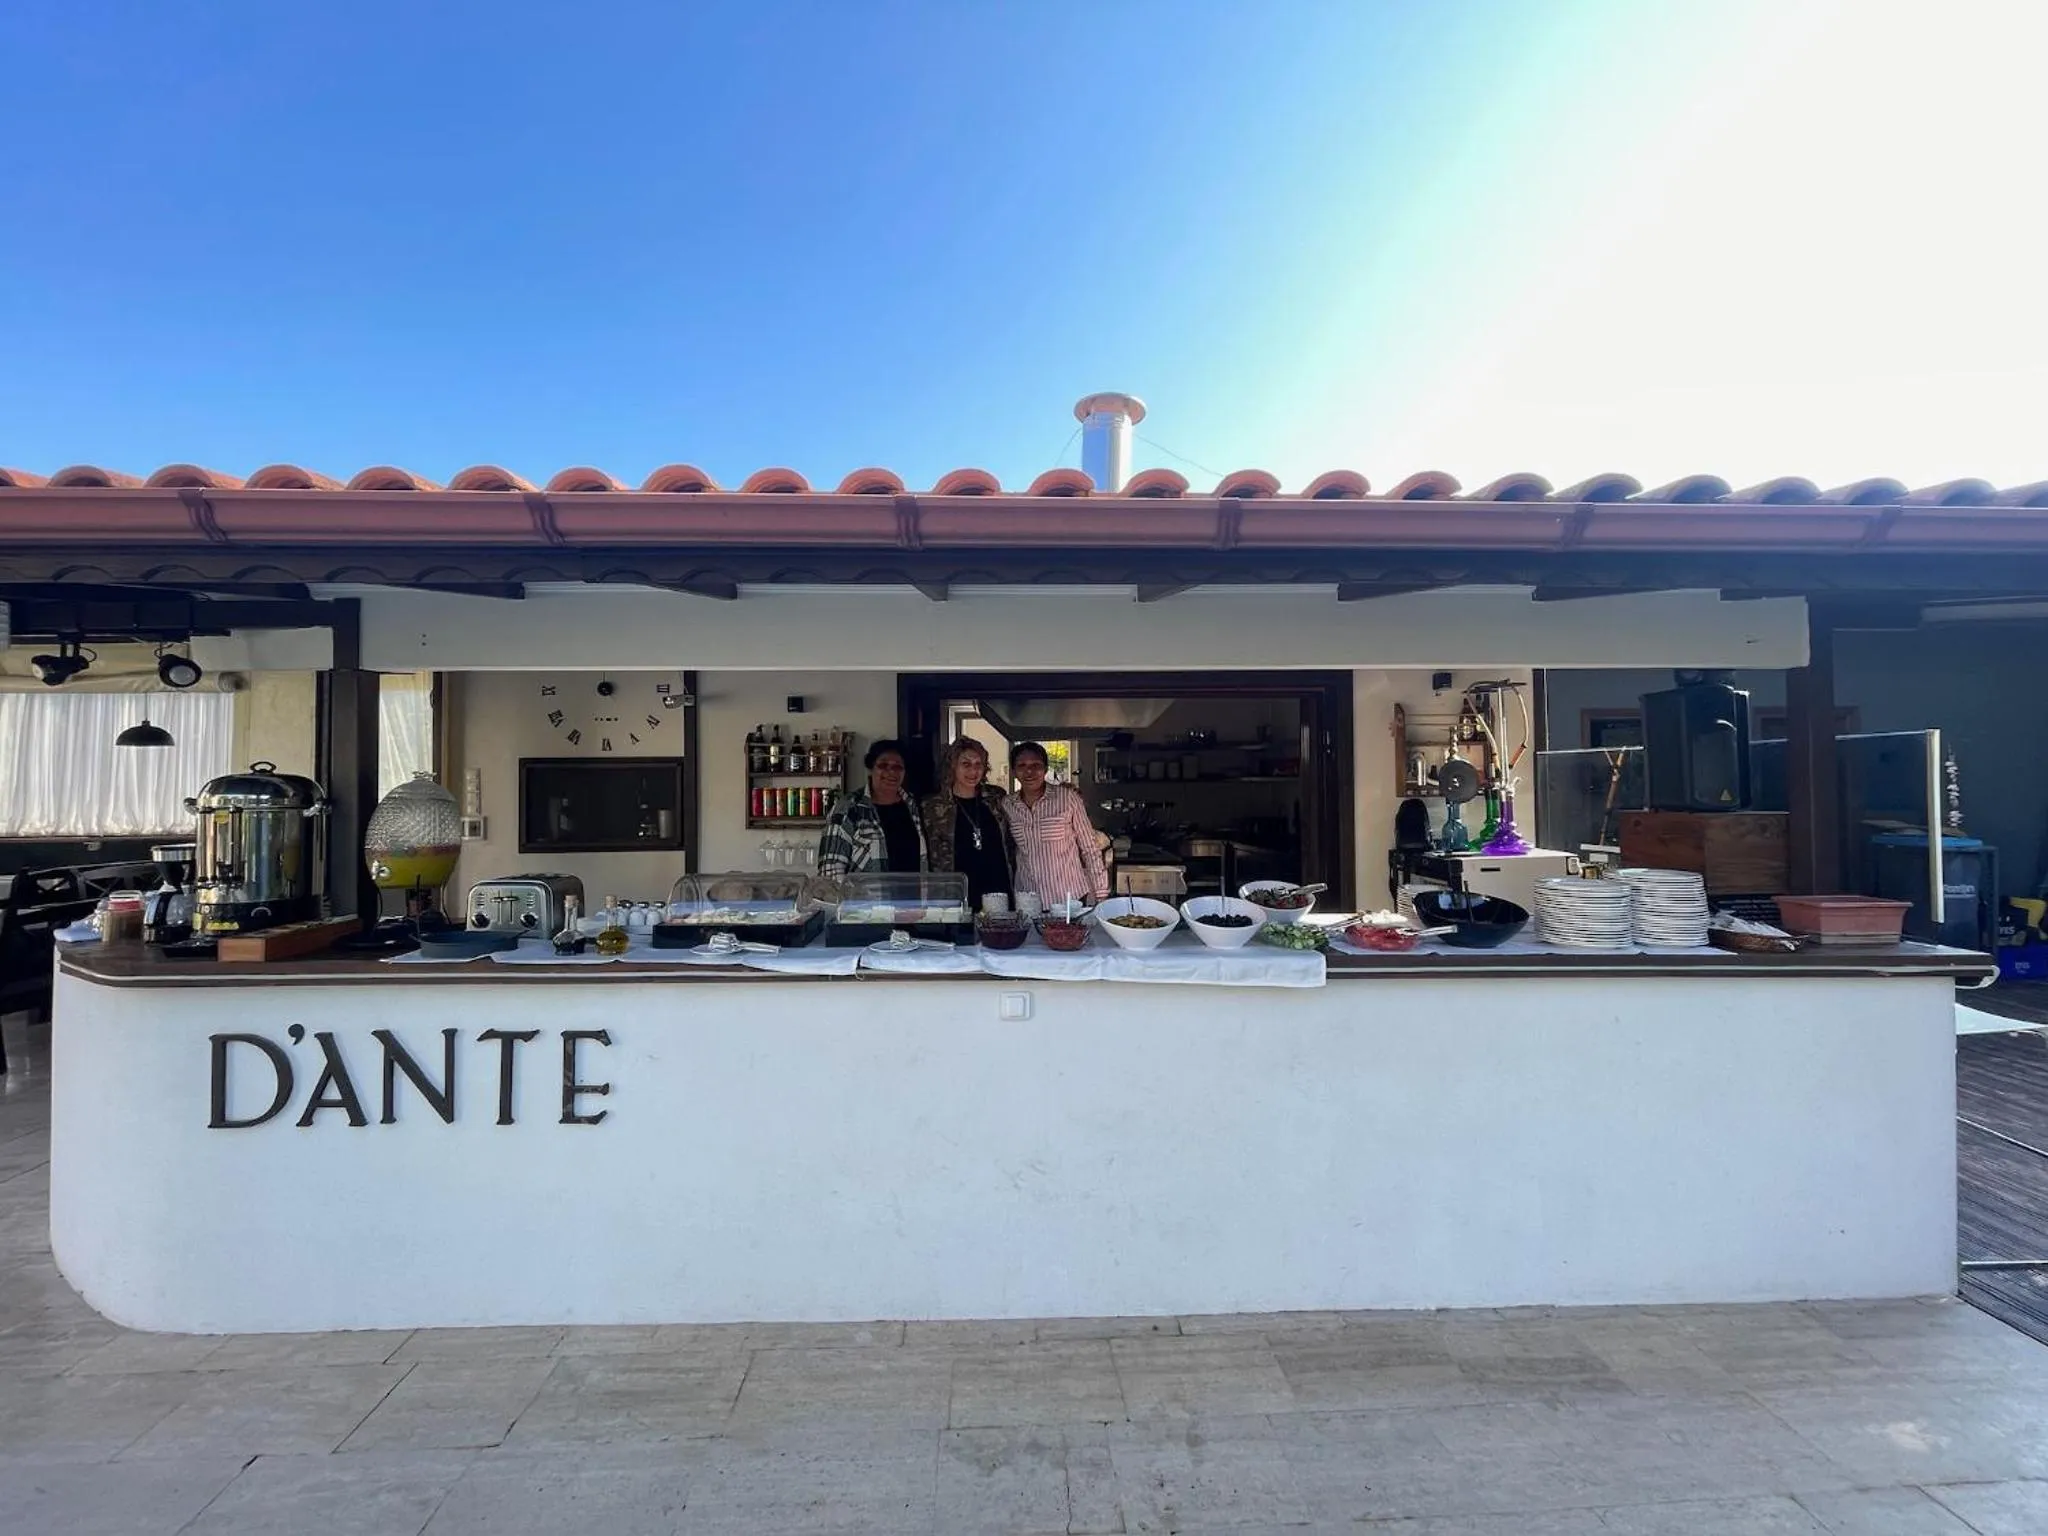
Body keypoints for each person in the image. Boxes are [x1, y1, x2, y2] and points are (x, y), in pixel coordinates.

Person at [1001, 741, 1109, 909]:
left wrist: (1101, 894)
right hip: (1028, 899)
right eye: (1022, 765)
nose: (1029, 771)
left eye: (1036, 765)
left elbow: (1090, 848)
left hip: (1069, 898)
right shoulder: (1008, 805)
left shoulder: (1067, 798)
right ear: (1014, 772)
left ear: (1045, 769)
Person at [921, 736, 1015, 912]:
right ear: (952, 766)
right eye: (966, 764)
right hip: (954, 895)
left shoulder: (996, 798)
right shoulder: (932, 806)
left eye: (978, 764)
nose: (973, 771)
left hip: (997, 892)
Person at [816, 739, 926, 878]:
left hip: (913, 898)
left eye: (897, 767)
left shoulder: (914, 805)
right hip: (865, 899)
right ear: (871, 768)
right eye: (883, 765)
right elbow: (830, 872)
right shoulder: (848, 809)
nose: (891, 771)